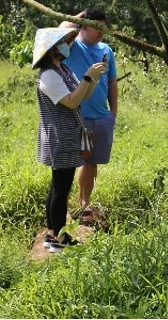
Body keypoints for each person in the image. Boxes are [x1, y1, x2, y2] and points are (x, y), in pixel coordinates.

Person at [32, 26, 107, 252]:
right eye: (63, 43)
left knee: (58, 187)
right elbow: (72, 102)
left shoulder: (63, 70)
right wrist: (87, 76)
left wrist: (92, 78)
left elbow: (84, 95)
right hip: (60, 137)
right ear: (53, 49)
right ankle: (57, 238)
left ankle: (52, 235)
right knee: (61, 189)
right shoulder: (48, 76)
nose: (68, 46)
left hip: (68, 135)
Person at [60, 9, 118, 220]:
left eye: (104, 27)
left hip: (101, 116)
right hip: (75, 115)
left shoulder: (107, 51)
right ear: (83, 24)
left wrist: (113, 113)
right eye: (97, 26)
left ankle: (84, 203)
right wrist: (81, 14)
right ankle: (62, 207)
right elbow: (60, 30)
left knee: (91, 162)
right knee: (68, 164)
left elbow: (112, 82)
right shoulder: (72, 46)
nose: (101, 32)